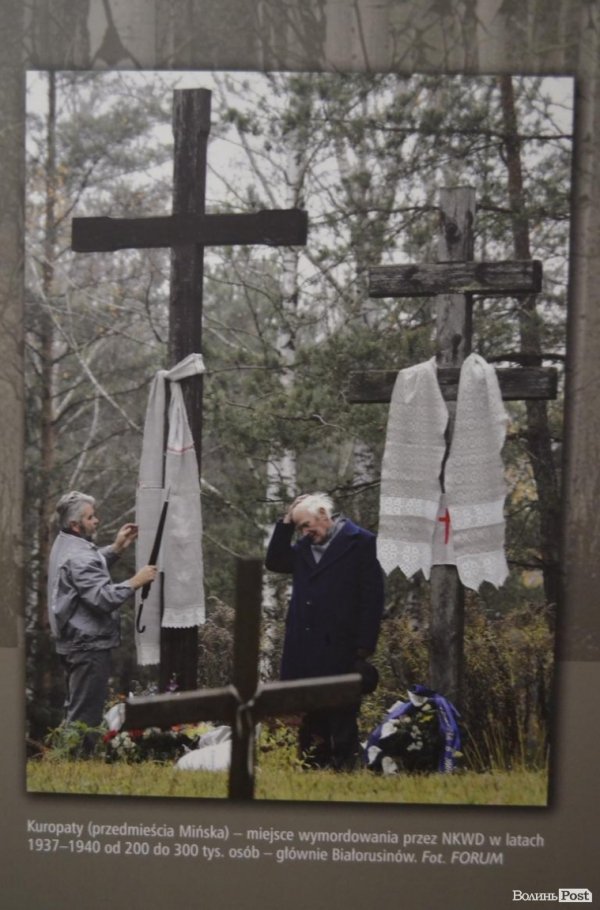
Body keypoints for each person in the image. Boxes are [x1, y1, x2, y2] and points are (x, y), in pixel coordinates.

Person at [265, 492, 384, 770]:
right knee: (310, 717)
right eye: (299, 528)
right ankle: (312, 774)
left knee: (342, 715)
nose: (305, 533)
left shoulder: (362, 542)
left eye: (307, 525)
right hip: (304, 646)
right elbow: (274, 561)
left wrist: (364, 647)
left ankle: (346, 775)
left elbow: (372, 598)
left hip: (342, 646)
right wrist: (286, 520)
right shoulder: (304, 547)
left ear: (323, 514)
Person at [47, 491, 157, 752]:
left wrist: (116, 548)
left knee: (76, 708)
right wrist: (136, 581)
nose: (96, 521)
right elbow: (102, 597)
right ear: (76, 525)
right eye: (90, 517)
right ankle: (74, 768)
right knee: (86, 715)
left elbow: (87, 570)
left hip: (74, 643)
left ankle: (65, 762)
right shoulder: (79, 556)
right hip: (88, 647)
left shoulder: (66, 544)